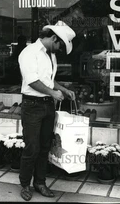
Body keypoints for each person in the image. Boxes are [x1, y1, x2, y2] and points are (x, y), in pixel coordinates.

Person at [18, 21, 76, 201]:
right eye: (59, 44)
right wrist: (53, 93)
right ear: (53, 38)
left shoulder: (50, 55)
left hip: (47, 106)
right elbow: (32, 81)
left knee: (44, 147)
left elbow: (49, 81)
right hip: (32, 106)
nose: (59, 48)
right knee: (32, 147)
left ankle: (40, 183)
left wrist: (63, 90)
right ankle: (25, 184)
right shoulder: (29, 53)